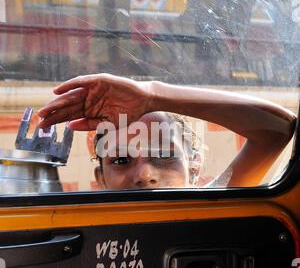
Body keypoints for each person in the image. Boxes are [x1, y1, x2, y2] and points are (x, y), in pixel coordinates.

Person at [38, 73, 296, 189]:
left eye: (164, 155)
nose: (145, 174)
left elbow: (278, 129)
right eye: (120, 160)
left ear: (194, 167)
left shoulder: (211, 209)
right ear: (101, 178)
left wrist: (153, 95)